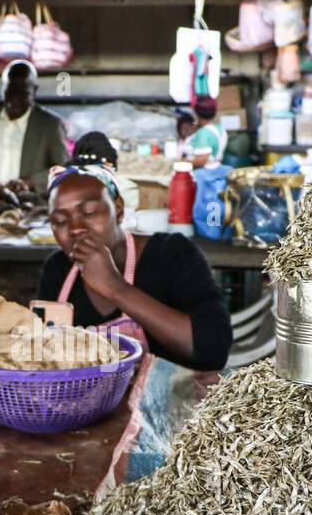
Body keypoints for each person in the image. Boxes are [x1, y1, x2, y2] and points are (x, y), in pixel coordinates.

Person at [36, 133, 232, 372]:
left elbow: (214, 350)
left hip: (175, 406)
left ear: (118, 210)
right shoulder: (58, 269)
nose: (76, 228)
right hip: (89, 406)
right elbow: (45, 359)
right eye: (60, 220)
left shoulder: (172, 253)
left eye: (89, 213)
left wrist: (115, 288)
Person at [0, 59, 69, 190]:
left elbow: (63, 169)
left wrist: (30, 182)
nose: (14, 99)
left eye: (23, 93)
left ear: (34, 90)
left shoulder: (50, 124)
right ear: (2, 87)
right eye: (10, 91)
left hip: (29, 205)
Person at [186, 95, 228, 169]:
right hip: (218, 168)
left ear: (197, 114)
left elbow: (201, 161)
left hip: (205, 173)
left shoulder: (203, 132)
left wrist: (182, 162)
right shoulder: (220, 128)